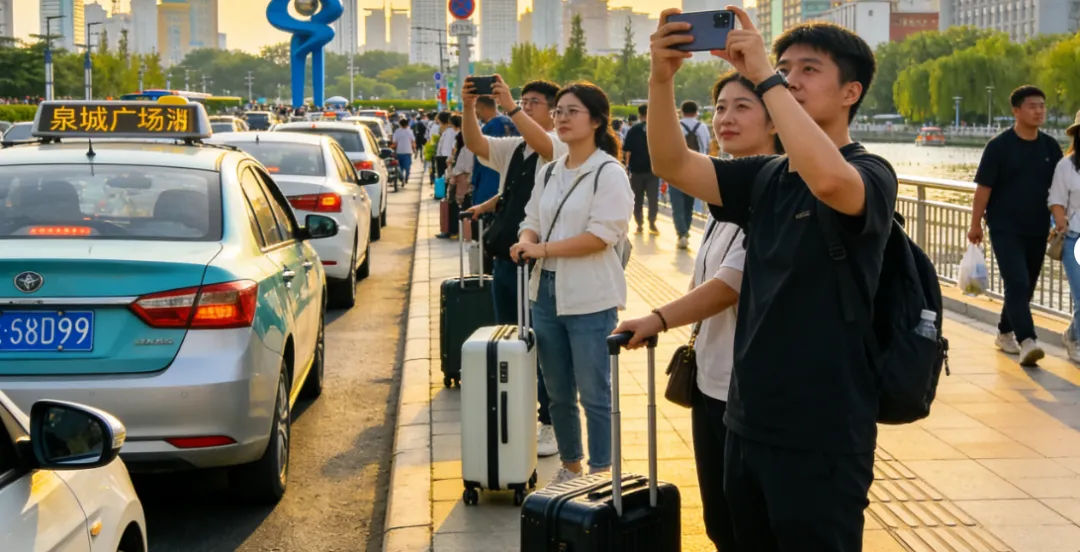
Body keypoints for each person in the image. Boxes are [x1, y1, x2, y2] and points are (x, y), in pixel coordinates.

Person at [649, 9, 896, 550]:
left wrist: (764, 75)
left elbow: (831, 180)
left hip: (822, 429)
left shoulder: (871, 172)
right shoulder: (765, 176)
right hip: (747, 417)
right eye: (785, 67)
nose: (789, 78)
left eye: (809, 70)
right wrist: (661, 77)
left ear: (851, 91)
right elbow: (671, 163)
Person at [613, 70, 782, 552]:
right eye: (720, 108)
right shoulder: (726, 194)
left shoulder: (782, 190)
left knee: (749, 525)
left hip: (748, 390)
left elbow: (731, 284)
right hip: (711, 380)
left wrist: (658, 318)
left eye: (742, 107)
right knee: (720, 520)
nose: (725, 118)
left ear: (776, 119)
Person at [510, 82, 633, 486]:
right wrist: (525, 242)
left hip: (590, 297)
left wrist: (542, 249)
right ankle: (571, 466)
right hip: (544, 294)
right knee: (558, 392)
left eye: (571, 112)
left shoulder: (608, 173)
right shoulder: (548, 172)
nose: (560, 118)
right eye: (558, 111)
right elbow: (531, 220)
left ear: (596, 120)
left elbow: (602, 236)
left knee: (595, 394)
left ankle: (600, 472)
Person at [462, 77, 567, 458]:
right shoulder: (515, 148)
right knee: (511, 338)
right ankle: (519, 409)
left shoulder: (558, 146)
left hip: (538, 263)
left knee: (543, 343)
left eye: (534, 102)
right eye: (524, 100)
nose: (525, 106)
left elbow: (544, 144)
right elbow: (476, 146)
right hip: (505, 260)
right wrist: (469, 107)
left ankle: (552, 422)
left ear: (553, 113)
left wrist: (509, 107)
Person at [968, 85, 1063, 366]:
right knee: (1017, 281)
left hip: (1037, 228)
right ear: (1016, 110)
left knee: (1026, 286)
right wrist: (975, 224)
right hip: (1004, 227)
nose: (1039, 111)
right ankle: (1027, 341)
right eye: (1032, 106)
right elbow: (983, 189)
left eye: (1042, 106)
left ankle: (1004, 332)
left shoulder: (1049, 147)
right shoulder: (999, 147)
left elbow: (1060, 187)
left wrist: (1061, 218)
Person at [1049, 110, 1080, 362]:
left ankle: (1072, 332)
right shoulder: (1066, 166)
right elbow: (1056, 201)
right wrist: (1060, 220)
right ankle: (1077, 341)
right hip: (1074, 238)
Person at [673, 100, 712, 249]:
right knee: (689, 203)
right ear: (696, 112)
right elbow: (706, 147)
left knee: (677, 204)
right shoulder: (702, 127)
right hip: (696, 169)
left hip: (676, 170)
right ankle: (686, 230)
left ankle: (681, 233)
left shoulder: (676, 126)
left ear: (681, 112)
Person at [471, 97, 518, 206]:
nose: (475, 112)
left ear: (481, 107)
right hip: (508, 180)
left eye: (475, 108)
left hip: (489, 180)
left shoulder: (492, 127)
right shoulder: (509, 122)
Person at [622, 104, 660, 236]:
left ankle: (639, 224)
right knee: (653, 198)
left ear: (639, 114)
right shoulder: (656, 128)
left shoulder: (633, 129)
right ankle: (652, 223)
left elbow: (627, 150)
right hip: (653, 170)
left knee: (637, 199)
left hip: (636, 170)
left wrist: (627, 167)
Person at [392, 118, 416, 184]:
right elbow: (413, 141)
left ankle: (402, 178)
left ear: (400, 124)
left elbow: (394, 143)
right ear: (407, 124)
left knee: (401, 167)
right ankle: (406, 178)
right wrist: (414, 149)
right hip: (408, 152)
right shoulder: (410, 131)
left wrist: (392, 149)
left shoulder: (397, 131)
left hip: (399, 152)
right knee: (407, 167)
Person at [434, 111, 455, 180]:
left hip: (445, 158)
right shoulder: (447, 131)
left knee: (444, 179)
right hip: (443, 157)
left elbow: (447, 148)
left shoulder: (450, 131)